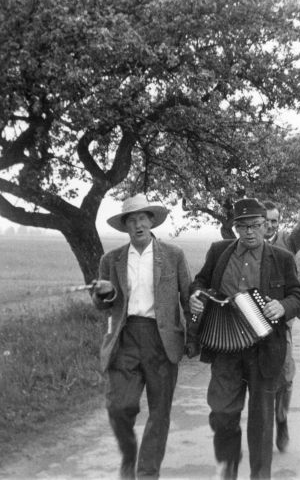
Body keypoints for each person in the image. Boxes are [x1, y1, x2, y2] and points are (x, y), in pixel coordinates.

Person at [189, 198, 300, 480]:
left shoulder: (282, 258)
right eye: (242, 226)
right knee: (221, 412)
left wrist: (283, 306)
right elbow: (200, 282)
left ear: (266, 226)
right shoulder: (219, 251)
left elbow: (298, 296)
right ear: (235, 228)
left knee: (262, 421)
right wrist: (196, 296)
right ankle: (229, 466)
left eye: (255, 225)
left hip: (265, 348)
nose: (249, 232)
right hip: (226, 346)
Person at [92, 194, 193, 479]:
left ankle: (148, 472)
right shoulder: (111, 259)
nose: (138, 225)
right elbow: (103, 305)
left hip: (162, 341)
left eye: (142, 219)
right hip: (125, 339)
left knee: (159, 413)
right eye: (132, 220)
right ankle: (128, 456)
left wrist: (193, 338)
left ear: (152, 221)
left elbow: (188, 298)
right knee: (119, 406)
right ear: (125, 226)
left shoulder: (173, 255)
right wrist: (102, 294)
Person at [262, 165, 300, 452]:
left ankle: (281, 417)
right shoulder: (244, 244)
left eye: (274, 221)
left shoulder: (288, 242)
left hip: (280, 322)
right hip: (248, 322)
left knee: (285, 376)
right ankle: (260, 426)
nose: (269, 225)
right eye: (265, 221)